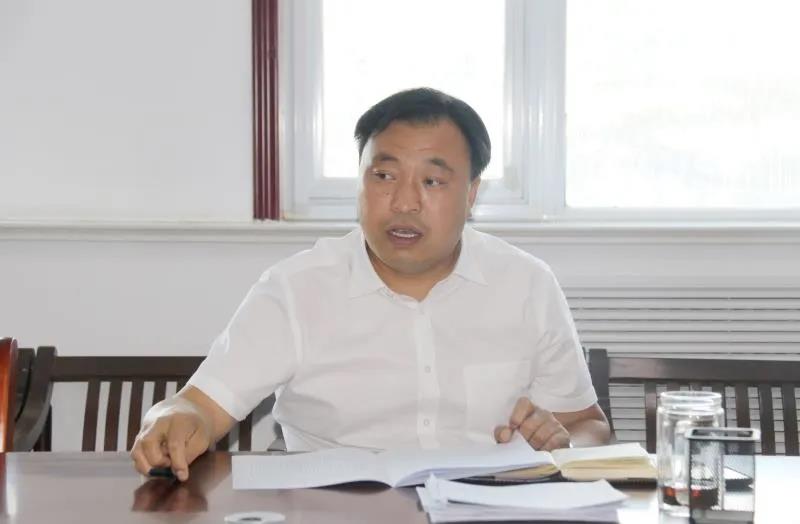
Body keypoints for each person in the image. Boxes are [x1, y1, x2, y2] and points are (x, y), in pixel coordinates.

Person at [131, 87, 610, 481]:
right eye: (383, 175)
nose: (404, 202)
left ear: (471, 194)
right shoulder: (297, 288)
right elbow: (194, 407)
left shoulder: (526, 284)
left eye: (432, 182)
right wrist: (171, 422)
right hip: (331, 510)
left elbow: (588, 426)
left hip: (486, 509)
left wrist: (562, 444)